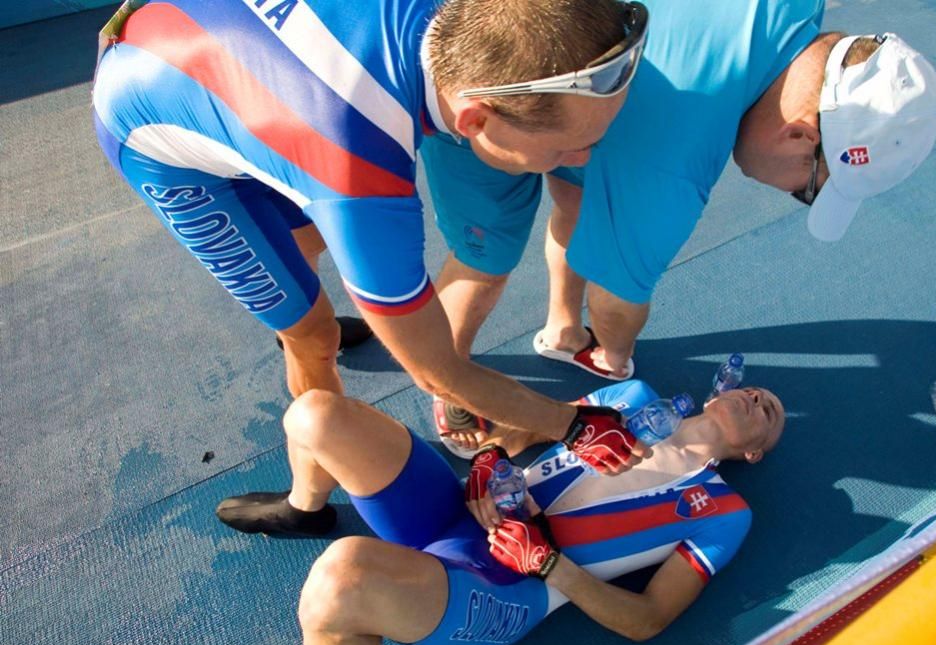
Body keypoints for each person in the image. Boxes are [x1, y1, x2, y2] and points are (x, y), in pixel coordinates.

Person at [91, 0, 652, 492]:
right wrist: (573, 425)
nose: (583, 161)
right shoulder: (360, 178)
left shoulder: (465, 22)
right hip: (155, 136)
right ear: (474, 118)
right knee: (312, 334)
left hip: (232, 76)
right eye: (567, 150)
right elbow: (436, 373)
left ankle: (315, 292)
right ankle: (309, 495)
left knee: (305, 242)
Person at [427, 0, 936, 387]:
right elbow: (614, 300)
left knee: (581, 196)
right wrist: (615, 355)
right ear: (801, 136)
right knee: (486, 256)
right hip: (486, 80)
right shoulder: (674, 159)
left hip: (562, 56)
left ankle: (563, 330)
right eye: (807, 190)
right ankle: (447, 379)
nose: (793, 192)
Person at [217, 379, 782, 645]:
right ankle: (303, 506)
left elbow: (648, 621)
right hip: (462, 507)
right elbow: (518, 432)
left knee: (339, 579)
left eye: (770, 411)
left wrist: (549, 565)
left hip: (510, 583)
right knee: (315, 413)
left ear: (753, 454)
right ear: (716, 392)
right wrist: (488, 456)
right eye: (756, 390)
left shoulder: (726, 513)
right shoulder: (630, 398)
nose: (757, 396)